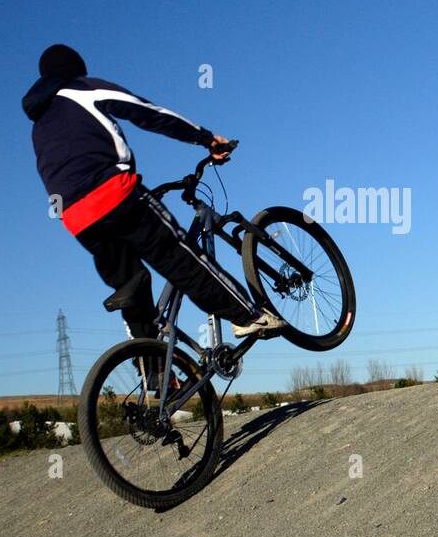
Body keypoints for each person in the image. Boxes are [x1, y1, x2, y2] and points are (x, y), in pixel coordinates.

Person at [22, 44, 284, 340]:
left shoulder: (39, 125)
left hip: (77, 218)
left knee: (132, 286)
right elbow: (148, 113)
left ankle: (154, 372)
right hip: (116, 195)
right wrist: (206, 138)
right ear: (76, 69)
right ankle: (249, 316)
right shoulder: (82, 89)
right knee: (181, 258)